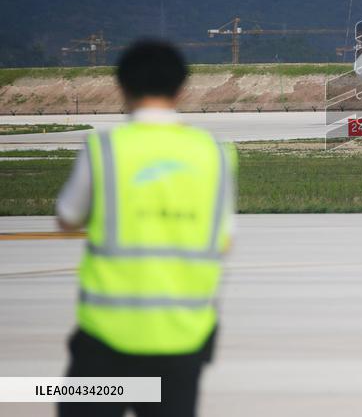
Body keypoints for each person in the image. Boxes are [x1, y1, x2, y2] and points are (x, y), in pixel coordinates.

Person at [56, 40, 236, 417]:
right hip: (184, 335)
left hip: (107, 335)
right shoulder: (214, 153)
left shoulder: (105, 148)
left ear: (121, 86)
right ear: (182, 88)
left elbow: (67, 216)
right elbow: (224, 240)